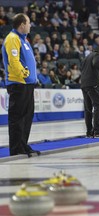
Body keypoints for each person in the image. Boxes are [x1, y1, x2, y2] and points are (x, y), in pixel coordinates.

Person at [2, 13, 38, 156]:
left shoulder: (24, 40)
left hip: (28, 85)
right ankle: (16, 149)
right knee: (17, 118)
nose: (30, 25)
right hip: (19, 84)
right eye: (28, 22)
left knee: (27, 117)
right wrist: (25, 74)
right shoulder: (12, 38)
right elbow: (14, 60)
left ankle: (23, 145)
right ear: (22, 24)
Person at [80, 48, 99, 138]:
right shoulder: (98, 55)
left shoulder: (87, 57)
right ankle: (98, 131)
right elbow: (96, 64)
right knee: (98, 106)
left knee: (88, 109)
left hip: (84, 84)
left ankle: (89, 131)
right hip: (92, 84)